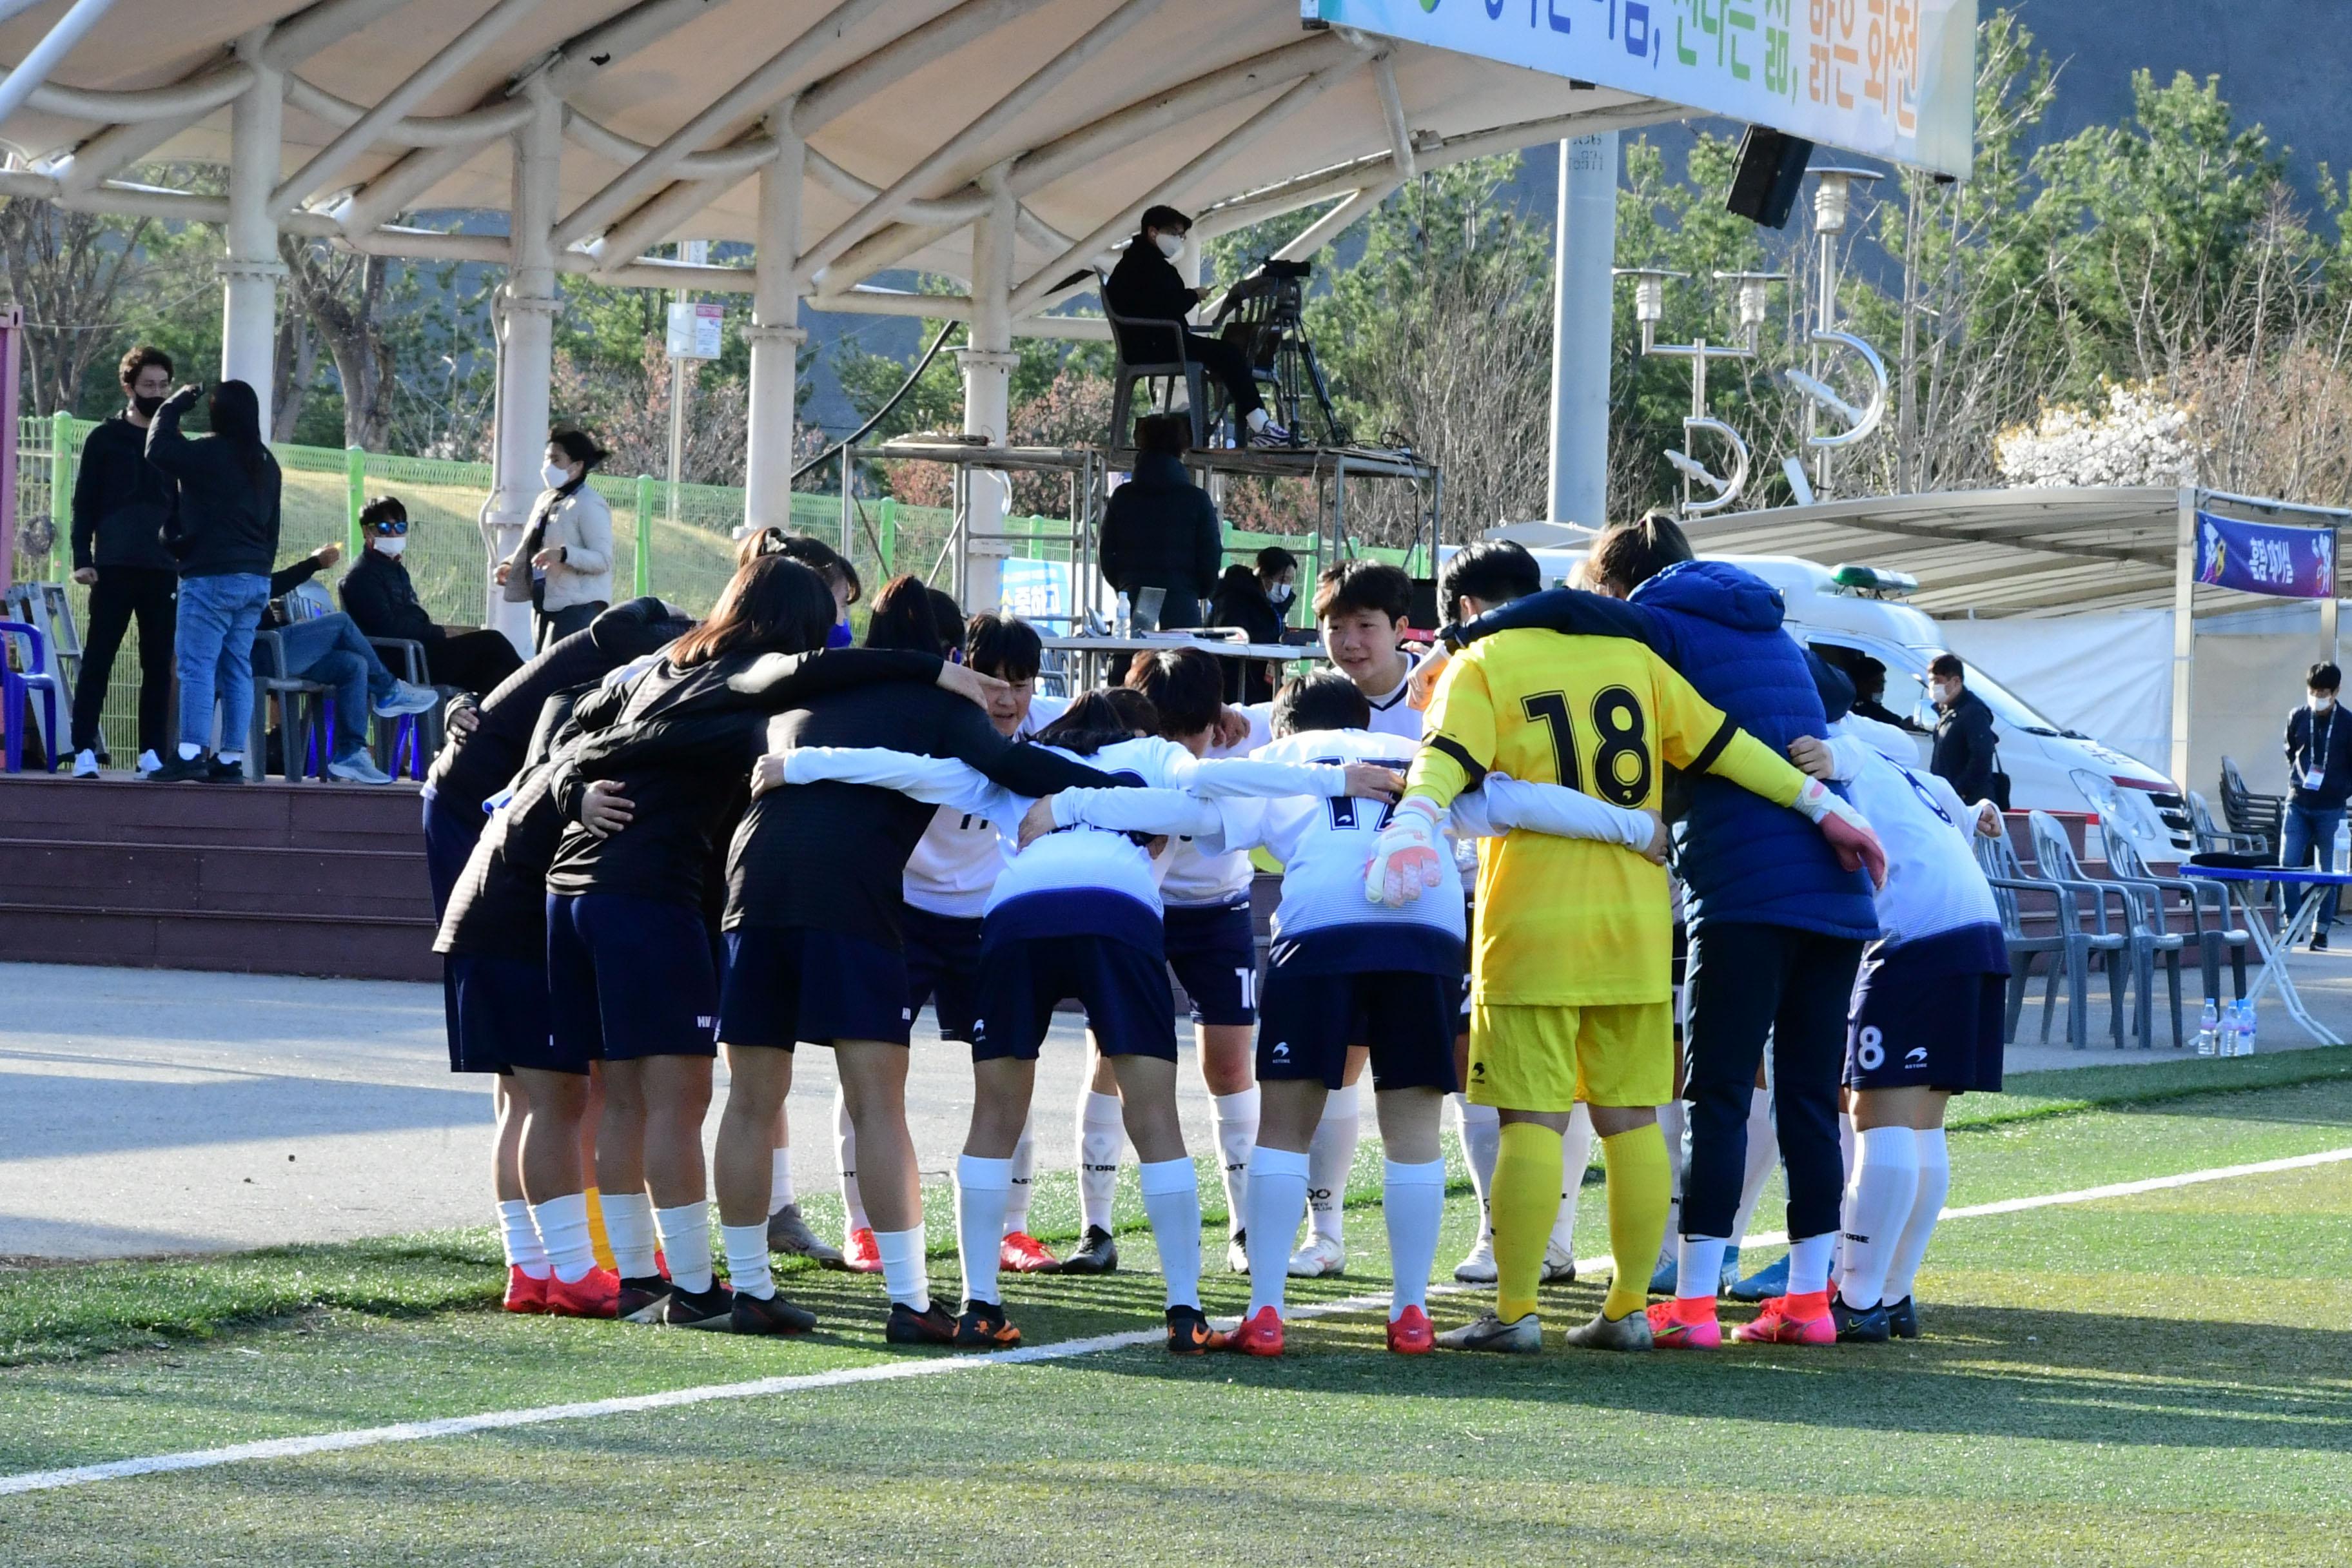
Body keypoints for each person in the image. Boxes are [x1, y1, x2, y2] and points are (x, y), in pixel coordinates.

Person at [1376, 533, 1885, 1355]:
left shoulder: (1486, 661)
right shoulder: (1645, 665)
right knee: (1633, 1121)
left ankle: (1514, 1311)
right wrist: (1821, 802)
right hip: (1640, 921)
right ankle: (1624, 1310)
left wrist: (1413, 820)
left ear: (1472, 609)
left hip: (1533, 918)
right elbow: (1731, 747)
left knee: (1532, 1121)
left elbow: (1443, 761)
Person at [765, 689, 1387, 1353]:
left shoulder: (1022, 759)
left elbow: (915, 769)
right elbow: (1216, 779)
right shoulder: (1153, 752)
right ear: (1141, 727)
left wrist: (798, 766)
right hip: (1116, 917)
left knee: (994, 1117)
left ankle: (981, 1305)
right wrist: (1335, 779)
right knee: (1155, 1120)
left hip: (1015, 919)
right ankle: (1185, 1310)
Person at [1113, 671, 1660, 1356]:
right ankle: (1410, 1313)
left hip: (1320, 927)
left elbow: (1196, 810)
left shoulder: (1281, 758)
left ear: (1286, 725)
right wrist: (1636, 825)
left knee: (1283, 1125)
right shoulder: (1423, 752)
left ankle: (1266, 1312)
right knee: (1413, 1129)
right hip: (1425, 929)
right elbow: (1527, 802)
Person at [539, 554, 985, 1332]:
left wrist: (571, 790)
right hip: (649, 888)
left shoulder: (660, 665)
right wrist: (935, 672)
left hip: (571, 885)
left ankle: (641, 1277)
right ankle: (693, 1285)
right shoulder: (749, 670)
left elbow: (566, 717)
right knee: (680, 1099)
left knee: (622, 1096)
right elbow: (814, 669)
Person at [720, 618, 1123, 1346]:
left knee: (751, 1100)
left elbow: (758, 676)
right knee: (879, 1103)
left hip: (753, 884)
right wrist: (1118, 789)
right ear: (950, 661)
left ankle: (750, 1288)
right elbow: (1016, 771)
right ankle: (910, 1301)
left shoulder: (803, 690)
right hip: (848, 896)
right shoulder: (946, 709)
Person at [1799, 661, 2008, 1342]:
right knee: (1920, 1122)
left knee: (1878, 1115)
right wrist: (1980, 812)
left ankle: (1859, 1300)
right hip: (1974, 927)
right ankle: (1893, 1290)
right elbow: (1954, 797)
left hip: (1917, 933)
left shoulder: (1832, 753)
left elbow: (1846, 759)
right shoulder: (1892, 761)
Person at [858, 611, 1070, 1276]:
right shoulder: (926, 722)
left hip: (990, 921)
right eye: (990, 680)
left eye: (1020, 681)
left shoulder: (1051, 721)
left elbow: (1123, 715)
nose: (1006, 696)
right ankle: (864, 1226)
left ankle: (1014, 1226)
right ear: (960, 670)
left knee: (1010, 1071)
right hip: (905, 914)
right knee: (872, 1074)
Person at [144, 380, 279, 784]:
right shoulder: (266, 461)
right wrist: (262, 570)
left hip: (211, 577)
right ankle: (230, 758)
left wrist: (173, 404)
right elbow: (273, 526)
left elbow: (158, 449)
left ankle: (190, 753)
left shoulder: (208, 451)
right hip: (255, 577)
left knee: (197, 665)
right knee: (237, 667)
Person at [68, 345, 179, 779]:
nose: (157, 392)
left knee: (157, 663)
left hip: (162, 569)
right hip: (113, 566)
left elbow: (184, 507)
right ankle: (82, 750)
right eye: (149, 385)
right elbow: (84, 504)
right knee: (100, 657)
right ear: (129, 387)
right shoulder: (105, 439)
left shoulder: (173, 443)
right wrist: (83, 557)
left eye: (164, 385)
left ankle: (150, 751)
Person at [1102, 204, 1290, 448]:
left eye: (1182, 236)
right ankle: (1261, 427)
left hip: (1153, 340)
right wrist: (1194, 295)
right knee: (1229, 354)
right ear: (1153, 232)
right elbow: (1169, 304)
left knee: (1225, 354)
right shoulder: (1147, 266)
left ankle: (1258, 426)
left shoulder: (1137, 262)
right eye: (1175, 233)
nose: (1179, 240)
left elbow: (1158, 303)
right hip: (1157, 344)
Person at [257, 540, 438, 784]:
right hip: (258, 654)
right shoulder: (231, 562)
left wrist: (292, 627)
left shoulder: (248, 556)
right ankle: (388, 690)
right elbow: (265, 587)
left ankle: (351, 752)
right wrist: (314, 563)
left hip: (277, 645)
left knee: (353, 665)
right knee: (340, 622)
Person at [340, 496, 527, 694]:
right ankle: (540, 685)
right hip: (402, 659)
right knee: (492, 641)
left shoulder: (394, 568)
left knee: (491, 673)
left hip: (419, 651)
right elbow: (388, 628)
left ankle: (521, 715)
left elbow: (410, 616)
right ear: (367, 531)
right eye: (385, 528)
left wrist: (432, 631)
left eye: (401, 527)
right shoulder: (361, 576)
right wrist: (438, 632)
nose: (394, 533)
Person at [1100, 414, 1222, 630]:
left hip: (1133, 600)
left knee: (1133, 660)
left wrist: (1125, 586)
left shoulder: (1122, 497)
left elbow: (1107, 554)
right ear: (1181, 449)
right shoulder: (1197, 500)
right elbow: (1210, 555)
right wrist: (1196, 590)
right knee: (1182, 662)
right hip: (1183, 602)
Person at [498, 430, 613, 650]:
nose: (547, 466)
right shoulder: (547, 499)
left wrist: (564, 554)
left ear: (577, 466)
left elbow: (603, 560)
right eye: (546, 458)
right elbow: (534, 544)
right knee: (543, 669)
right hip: (546, 600)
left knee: (564, 673)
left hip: (578, 607)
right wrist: (510, 564)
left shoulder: (589, 504)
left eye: (556, 460)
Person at [2282, 662, 2352, 948]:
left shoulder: (2348, 723)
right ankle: (2292, 923)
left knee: (2329, 871)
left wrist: (2340, 790)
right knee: (2287, 864)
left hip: (2331, 809)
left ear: (2336, 692)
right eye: (2313, 691)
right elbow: (2289, 750)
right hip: (2298, 803)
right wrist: (2302, 780)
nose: (2318, 697)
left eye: (2324, 692)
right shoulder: (2297, 716)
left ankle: (2320, 930)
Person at [1928, 652, 2000, 806]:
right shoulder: (1948, 711)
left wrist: (1958, 791)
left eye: (1938, 681)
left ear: (1956, 681)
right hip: (1949, 799)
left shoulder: (1974, 712)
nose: (1933, 686)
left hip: (1969, 804)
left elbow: (1981, 758)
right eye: (1931, 681)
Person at [1208, 564, 1284, 705]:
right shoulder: (1240, 600)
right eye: (1283, 579)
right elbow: (1234, 635)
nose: (1286, 586)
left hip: (1243, 677)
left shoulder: (1251, 599)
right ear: (1266, 578)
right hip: (1243, 679)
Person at [1258, 546, 1300, 628]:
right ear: (1264, 577)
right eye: (1282, 579)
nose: (1286, 585)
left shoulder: (1281, 607)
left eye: (1289, 580)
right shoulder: (1242, 604)